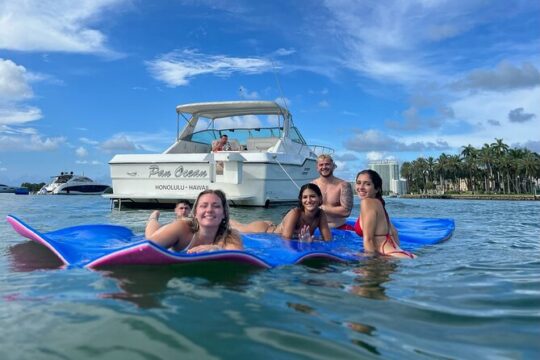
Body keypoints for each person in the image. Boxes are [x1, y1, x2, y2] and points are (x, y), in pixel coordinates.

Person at [145, 189, 243, 253]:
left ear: (224, 214)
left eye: (216, 206)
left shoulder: (230, 235)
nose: (209, 210)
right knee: (151, 235)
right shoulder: (181, 228)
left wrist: (217, 249)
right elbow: (147, 248)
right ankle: (153, 217)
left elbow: (238, 257)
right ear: (195, 213)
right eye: (203, 206)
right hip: (172, 230)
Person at [230, 183, 332, 241]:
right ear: (301, 200)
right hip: (264, 230)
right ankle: (225, 218)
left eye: (312, 196)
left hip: (274, 226)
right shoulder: (295, 213)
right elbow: (285, 239)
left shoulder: (320, 214)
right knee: (237, 227)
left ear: (319, 198)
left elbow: (328, 240)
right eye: (305, 197)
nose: (309, 200)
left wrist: (311, 241)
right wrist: (305, 242)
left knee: (238, 225)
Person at [354, 169, 416, 259]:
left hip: (388, 257)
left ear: (377, 189)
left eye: (367, 184)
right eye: (358, 183)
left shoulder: (366, 202)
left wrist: (370, 264)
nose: (361, 187)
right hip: (402, 254)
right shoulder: (379, 203)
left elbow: (368, 239)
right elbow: (394, 232)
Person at [311, 154, 353, 229]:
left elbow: (346, 212)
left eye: (327, 164)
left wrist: (322, 208)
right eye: (321, 165)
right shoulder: (312, 185)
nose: (324, 167)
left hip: (339, 228)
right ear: (317, 168)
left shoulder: (343, 185)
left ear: (333, 166)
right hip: (317, 229)